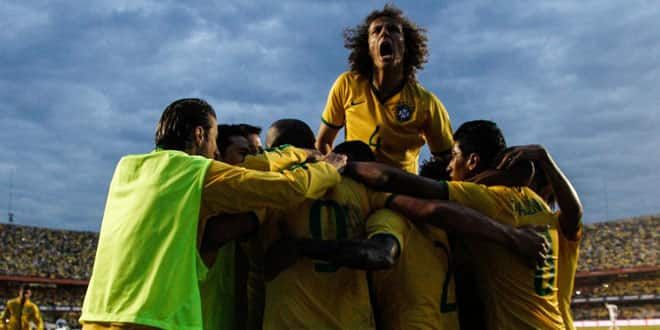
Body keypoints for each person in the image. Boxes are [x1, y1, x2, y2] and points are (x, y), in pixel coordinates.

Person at [80, 98, 345, 330]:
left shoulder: (126, 168)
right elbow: (288, 189)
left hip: (96, 314)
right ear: (199, 134)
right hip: (154, 321)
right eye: (214, 139)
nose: (216, 151)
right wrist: (328, 169)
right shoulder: (195, 172)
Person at [344, 120, 582, 329]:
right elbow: (573, 215)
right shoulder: (535, 203)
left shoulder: (485, 199)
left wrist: (349, 170)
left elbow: (411, 191)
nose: (450, 165)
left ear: (472, 161)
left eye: (454, 156)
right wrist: (543, 158)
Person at [316, 4, 453, 174]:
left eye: (393, 29)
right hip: (356, 185)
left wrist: (424, 186)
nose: (384, 33)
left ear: (406, 45)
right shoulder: (347, 84)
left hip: (400, 192)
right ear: (368, 47)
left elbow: (446, 159)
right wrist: (336, 171)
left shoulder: (426, 103)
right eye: (376, 31)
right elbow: (323, 142)